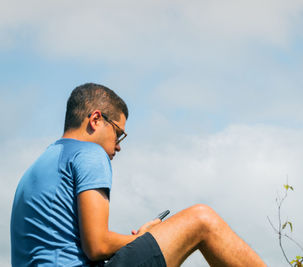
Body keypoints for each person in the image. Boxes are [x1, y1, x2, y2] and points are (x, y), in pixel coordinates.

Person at [10, 83, 267, 267]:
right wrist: (146, 239)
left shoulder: (41, 164)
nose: (118, 145)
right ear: (96, 119)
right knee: (202, 219)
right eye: (118, 133)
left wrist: (139, 241)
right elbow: (97, 245)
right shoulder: (90, 153)